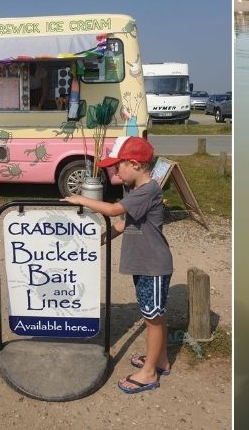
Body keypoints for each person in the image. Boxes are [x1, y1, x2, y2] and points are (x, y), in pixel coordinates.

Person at [62, 136, 173, 394]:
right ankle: (161, 360)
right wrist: (97, 241)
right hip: (144, 265)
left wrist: (81, 199)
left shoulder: (149, 190)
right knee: (152, 315)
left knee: (153, 318)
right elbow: (123, 224)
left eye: (116, 166)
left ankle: (149, 374)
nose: (113, 172)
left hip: (153, 266)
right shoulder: (136, 191)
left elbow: (113, 211)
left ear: (134, 164)